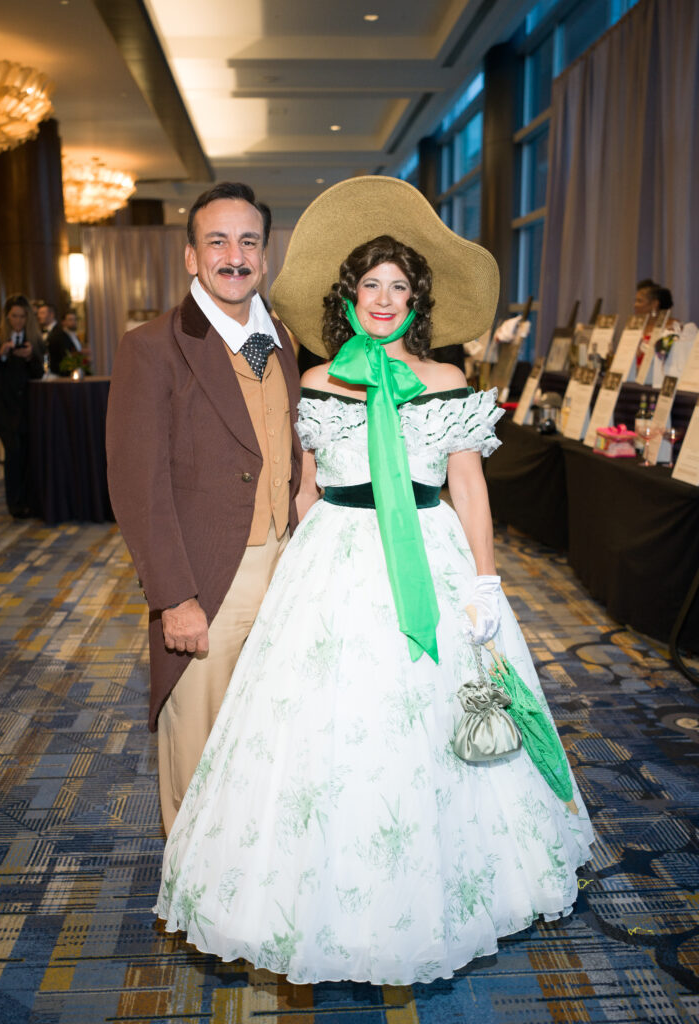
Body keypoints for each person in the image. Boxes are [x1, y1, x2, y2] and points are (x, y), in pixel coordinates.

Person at [153, 176, 594, 986]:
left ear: (416, 301)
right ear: (349, 298)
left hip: (430, 556)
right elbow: (308, 484)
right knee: (325, 730)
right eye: (371, 285)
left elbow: (468, 487)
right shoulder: (317, 381)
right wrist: (290, 582)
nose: (385, 299)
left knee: (437, 723)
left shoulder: (445, 380)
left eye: (399, 287)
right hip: (335, 563)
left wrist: (486, 586)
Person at [106, 181, 304, 836]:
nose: (234, 255)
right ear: (191, 257)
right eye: (216, 241)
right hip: (206, 582)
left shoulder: (278, 337)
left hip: (286, 571)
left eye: (248, 241)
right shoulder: (152, 347)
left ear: (265, 256)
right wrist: (174, 596)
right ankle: (193, 891)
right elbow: (139, 485)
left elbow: (286, 443)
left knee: (267, 736)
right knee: (199, 748)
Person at [0, 295, 44, 517]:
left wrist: (29, 358)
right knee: (13, 453)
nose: (18, 321)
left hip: (25, 407)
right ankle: (14, 504)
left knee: (26, 454)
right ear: (7, 317)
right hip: (2, 408)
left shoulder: (34, 339)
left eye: (22, 317)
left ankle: (26, 500)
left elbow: (39, 373)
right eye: (14, 316)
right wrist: (2, 355)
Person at [48, 308, 90, 375]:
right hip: (64, 372)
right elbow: (65, 354)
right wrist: (79, 352)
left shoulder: (75, 335)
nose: (74, 322)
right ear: (63, 322)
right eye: (70, 320)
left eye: (75, 319)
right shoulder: (59, 336)